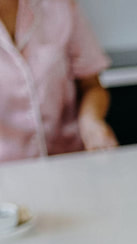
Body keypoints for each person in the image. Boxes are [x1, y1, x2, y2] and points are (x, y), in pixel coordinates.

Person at [1, 0, 117, 163]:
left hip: (70, 163)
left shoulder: (60, 6)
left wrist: (90, 121)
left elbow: (92, 86)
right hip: (7, 175)